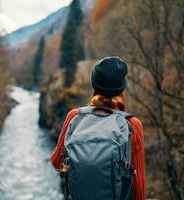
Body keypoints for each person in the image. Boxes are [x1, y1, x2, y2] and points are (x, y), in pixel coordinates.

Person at [51, 57, 146, 200]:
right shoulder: (132, 124)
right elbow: (138, 187)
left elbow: (57, 162)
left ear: (94, 85)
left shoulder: (75, 116)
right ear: (122, 88)